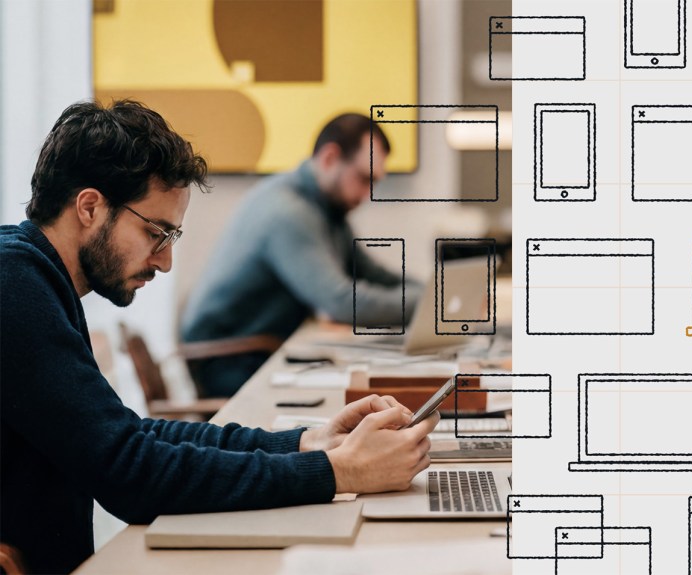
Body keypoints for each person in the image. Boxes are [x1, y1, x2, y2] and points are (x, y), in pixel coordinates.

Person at [0, 100, 438, 575]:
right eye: (155, 233)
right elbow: (129, 474)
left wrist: (309, 444)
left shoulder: (37, 280)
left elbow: (128, 435)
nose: (165, 261)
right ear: (89, 207)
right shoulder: (14, 284)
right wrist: (341, 472)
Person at [179, 113, 419, 397]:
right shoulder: (289, 212)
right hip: (231, 362)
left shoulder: (326, 208)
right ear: (330, 158)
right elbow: (342, 302)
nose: (367, 194)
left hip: (261, 352)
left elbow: (371, 273)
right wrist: (430, 304)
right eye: (364, 178)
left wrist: (433, 294)